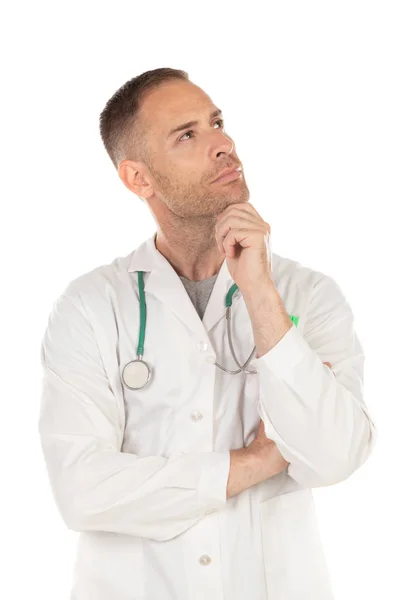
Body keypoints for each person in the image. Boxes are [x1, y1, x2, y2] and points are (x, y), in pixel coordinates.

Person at [38, 67, 377, 600]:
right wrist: (259, 460)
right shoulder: (90, 307)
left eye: (217, 122)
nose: (224, 144)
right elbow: (82, 492)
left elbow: (335, 457)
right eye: (188, 135)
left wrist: (261, 293)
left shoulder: (308, 295)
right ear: (138, 178)